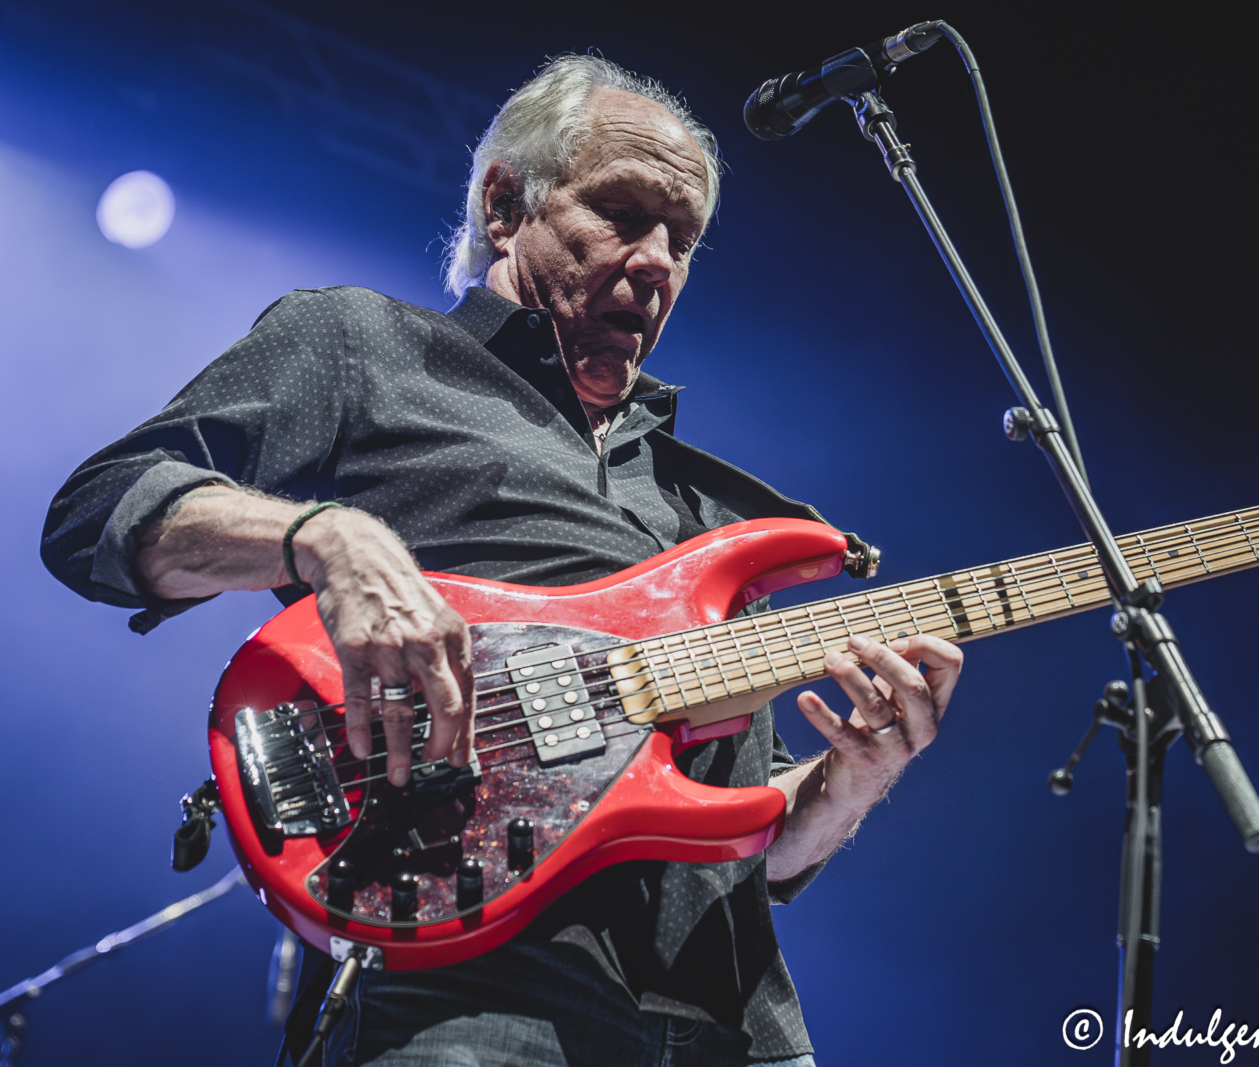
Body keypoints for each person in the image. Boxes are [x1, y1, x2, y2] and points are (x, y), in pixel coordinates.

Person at [41, 55, 963, 1067]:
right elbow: (97, 511)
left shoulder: (714, 512)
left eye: (683, 239)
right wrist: (323, 536)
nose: (656, 259)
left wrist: (849, 784)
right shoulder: (363, 346)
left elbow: (738, 836)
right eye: (622, 213)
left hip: (735, 1032)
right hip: (463, 1007)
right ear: (505, 202)